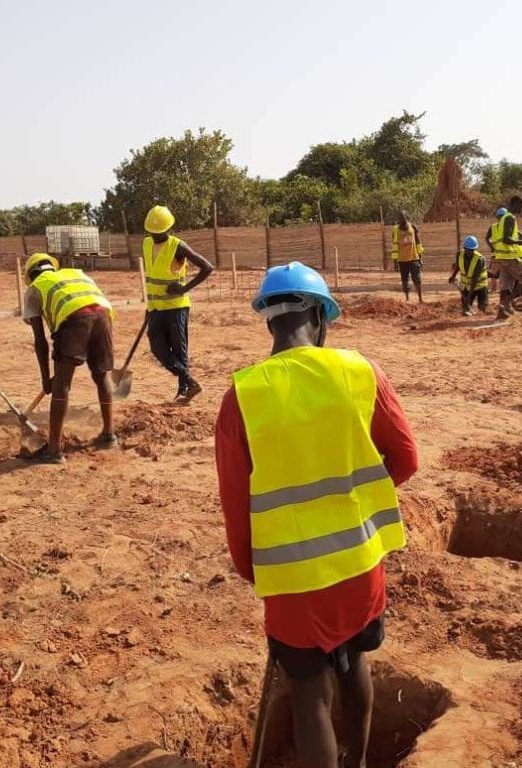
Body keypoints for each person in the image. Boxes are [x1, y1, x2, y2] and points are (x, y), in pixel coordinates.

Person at [214, 262, 418, 768]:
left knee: (309, 696)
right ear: (322, 318)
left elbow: (236, 503)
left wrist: (251, 567)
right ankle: (360, 762)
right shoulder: (359, 372)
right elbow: (406, 457)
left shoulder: (243, 395)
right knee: (356, 666)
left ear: (269, 322)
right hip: (359, 562)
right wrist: (355, 499)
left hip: (291, 579)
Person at [21, 252, 116, 464]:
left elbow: (40, 340)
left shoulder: (35, 288)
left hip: (75, 321)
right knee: (102, 377)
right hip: (104, 317)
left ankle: (53, 450)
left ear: (31, 274)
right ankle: (109, 435)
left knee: (62, 384)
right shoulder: (75, 274)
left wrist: (47, 379)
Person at [141, 205, 213, 403]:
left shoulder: (178, 246)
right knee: (157, 346)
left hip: (176, 307)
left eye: (159, 232)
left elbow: (207, 267)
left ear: (168, 229)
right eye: (153, 232)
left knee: (179, 350)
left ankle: (184, 390)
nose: (156, 236)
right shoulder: (146, 244)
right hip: (156, 308)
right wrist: (150, 306)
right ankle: (190, 381)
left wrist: (183, 288)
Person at [485, 196, 522, 319]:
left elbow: (504, 237)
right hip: (509, 257)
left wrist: (521, 241)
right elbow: (507, 239)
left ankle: (502, 314)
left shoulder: (503, 219)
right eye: (521, 206)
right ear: (515, 204)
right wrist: (521, 242)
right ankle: (508, 303)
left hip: (502, 257)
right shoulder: (509, 218)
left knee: (506, 286)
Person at [448, 235, 489, 316]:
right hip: (467, 286)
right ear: (464, 248)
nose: (470, 252)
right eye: (468, 250)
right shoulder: (459, 254)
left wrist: (469, 296)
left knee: (482, 307)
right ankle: (467, 309)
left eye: (472, 250)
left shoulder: (480, 259)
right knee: (465, 309)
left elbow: (475, 278)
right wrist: (453, 276)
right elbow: (458, 266)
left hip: (480, 286)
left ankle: (481, 314)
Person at [390, 210, 424, 303]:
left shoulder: (413, 227)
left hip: (414, 257)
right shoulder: (395, 230)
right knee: (404, 280)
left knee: (417, 279)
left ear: (407, 218)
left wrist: (420, 257)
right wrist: (395, 262)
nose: (401, 219)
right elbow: (394, 246)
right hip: (402, 260)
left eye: (403, 217)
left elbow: (418, 242)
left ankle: (420, 299)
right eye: (400, 218)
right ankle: (407, 299)